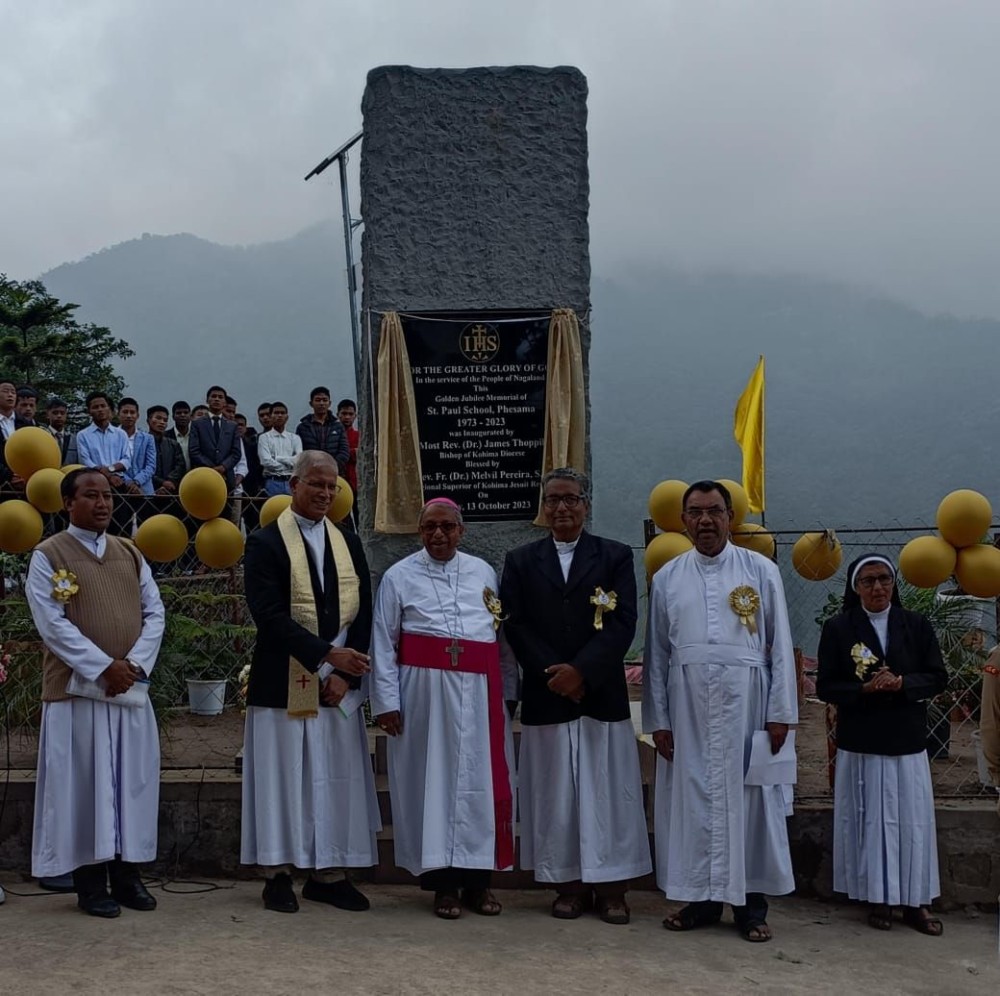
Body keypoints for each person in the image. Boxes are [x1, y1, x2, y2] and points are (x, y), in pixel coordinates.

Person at [642, 480, 797, 942]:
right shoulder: (666, 577)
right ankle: (702, 900)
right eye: (695, 512)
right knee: (694, 801)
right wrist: (659, 721)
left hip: (747, 703)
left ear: (730, 517)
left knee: (748, 802)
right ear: (683, 520)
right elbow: (657, 655)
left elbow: (781, 646)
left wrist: (781, 711)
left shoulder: (761, 570)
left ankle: (752, 908)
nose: (705, 520)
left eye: (714, 511)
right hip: (687, 706)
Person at [501, 468, 650, 924]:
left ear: (586, 504)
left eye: (571, 499)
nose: (562, 508)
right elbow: (515, 623)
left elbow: (624, 620)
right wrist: (556, 673)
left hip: (600, 693)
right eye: (553, 500)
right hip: (548, 694)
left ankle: (611, 887)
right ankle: (566, 883)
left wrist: (582, 671)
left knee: (608, 791)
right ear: (542, 507)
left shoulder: (614, 556)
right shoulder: (521, 560)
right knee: (555, 792)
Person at [241, 451, 379, 913]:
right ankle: (278, 872)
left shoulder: (347, 540)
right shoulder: (265, 542)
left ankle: (329, 872)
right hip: (283, 679)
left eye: (331, 487)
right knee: (284, 778)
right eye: (315, 484)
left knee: (333, 775)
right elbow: (269, 615)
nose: (324, 494)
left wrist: (342, 672)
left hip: (337, 686)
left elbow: (364, 612)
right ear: (294, 485)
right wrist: (325, 657)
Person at [25, 468, 165, 917]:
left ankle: (127, 877)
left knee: (129, 784)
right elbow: (53, 625)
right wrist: (105, 667)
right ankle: (90, 884)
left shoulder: (130, 552)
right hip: (78, 693)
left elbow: (155, 613)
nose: (102, 503)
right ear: (69, 503)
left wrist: (134, 665)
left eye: (107, 496)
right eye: (91, 496)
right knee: (86, 787)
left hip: (127, 691)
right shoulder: (49, 554)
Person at [371, 498, 517, 919]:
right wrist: (386, 702)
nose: (438, 535)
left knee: (479, 787)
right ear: (420, 532)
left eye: (447, 527)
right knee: (430, 786)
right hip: (423, 695)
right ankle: (442, 887)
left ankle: (478, 883)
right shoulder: (399, 576)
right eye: (430, 527)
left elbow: (498, 637)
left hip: (478, 695)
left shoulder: (482, 572)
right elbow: (383, 641)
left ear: (461, 531)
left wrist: (507, 692)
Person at [816, 554, 947, 935]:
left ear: (894, 584)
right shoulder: (839, 629)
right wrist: (865, 688)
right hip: (863, 741)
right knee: (870, 821)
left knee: (912, 822)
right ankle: (878, 896)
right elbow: (826, 686)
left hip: (907, 740)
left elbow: (937, 677)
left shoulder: (917, 625)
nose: (877, 588)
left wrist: (903, 683)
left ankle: (917, 901)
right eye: (868, 581)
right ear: (855, 588)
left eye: (884, 579)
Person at [188, 385, 242, 494]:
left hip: (226, 477)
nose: (217, 399)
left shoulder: (232, 426)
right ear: (207, 400)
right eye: (213, 396)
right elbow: (194, 451)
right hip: (203, 476)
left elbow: (236, 453)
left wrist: (223, 467)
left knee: (226, 509)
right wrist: (212, 469)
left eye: (220, 397)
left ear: (225, 402)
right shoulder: (197, 424)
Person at [296, 386, 349, 471]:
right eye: (317, 400)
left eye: (325, 400)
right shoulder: (302, 428)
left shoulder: (338, 426)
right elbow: (300, 453)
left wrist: (332, 466)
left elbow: (344, 451)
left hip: (334, 472)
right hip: (311, 472)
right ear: (311, 403)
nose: (321, 403)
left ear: (330, 403)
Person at [257, 402, 302, 497]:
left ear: (287, 417)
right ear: (271, 416)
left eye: (282, 413)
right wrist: (289, 466)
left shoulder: (295, 438)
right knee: (274, 510)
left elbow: (299, 461)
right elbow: (265, 461)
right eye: (276, 413)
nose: (279, 415)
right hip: (273, 481)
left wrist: (278, 458)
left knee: (291, 510)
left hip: (291, 482)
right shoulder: (264, 438)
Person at [1, 376, 31, 495]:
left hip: (24, 483)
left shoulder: (26, 423)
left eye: (13, 392)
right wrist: (8, 476)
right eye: (5, 391)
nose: (10, 395)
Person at [44, 397, 78, 465]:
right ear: (48, 415)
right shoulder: (43, 436)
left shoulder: (75, 439)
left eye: (62, 413)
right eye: (55, 413)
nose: (59, 416)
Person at [337, 398, 359, 495]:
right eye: (344, 414)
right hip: (338, 481)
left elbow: (361, 454)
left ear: (355, 416)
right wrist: (352, 452)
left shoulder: (359, 435)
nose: (347, 417)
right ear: (338, 415)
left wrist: (342, 453)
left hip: (356, 481)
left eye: (350, 414)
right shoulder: (333, 435)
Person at [165, 400, 192, 472]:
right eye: (178, 413)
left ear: (190, 416)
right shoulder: (165, 437)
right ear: (173, 417)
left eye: (186, 413)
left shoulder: (197, 436)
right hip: (172, 479)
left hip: (194, 477)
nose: (182, 415)